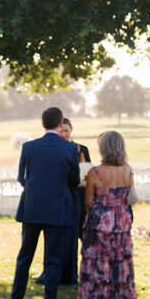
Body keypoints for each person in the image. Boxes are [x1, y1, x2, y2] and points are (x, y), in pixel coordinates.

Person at [10, 107, 80, 299]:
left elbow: (22, 178)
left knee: (25, 254)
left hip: (32, 207)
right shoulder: (69, 149)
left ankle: (16, 298)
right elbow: (74, 181)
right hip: (58, 209)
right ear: (60, 124)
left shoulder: (29, 147)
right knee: (53, 258)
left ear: (43, 123)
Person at [77, 131, 138, 299]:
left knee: (103, 261)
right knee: (123, 261)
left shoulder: (95, 172)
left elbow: (88, 201)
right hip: (122, 220)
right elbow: (128, 197)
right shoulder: (128, 169)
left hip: (101, 222)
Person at [53, 118, 90, 286]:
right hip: (60, 196)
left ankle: (82, 272)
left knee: (81, 236)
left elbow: (87, 173)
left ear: (71, 130)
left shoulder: (82, 149)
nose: (64, 134)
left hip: (79, 197)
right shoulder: (55, 148)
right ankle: (59, 270)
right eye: (61, 131)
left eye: (66, 131)